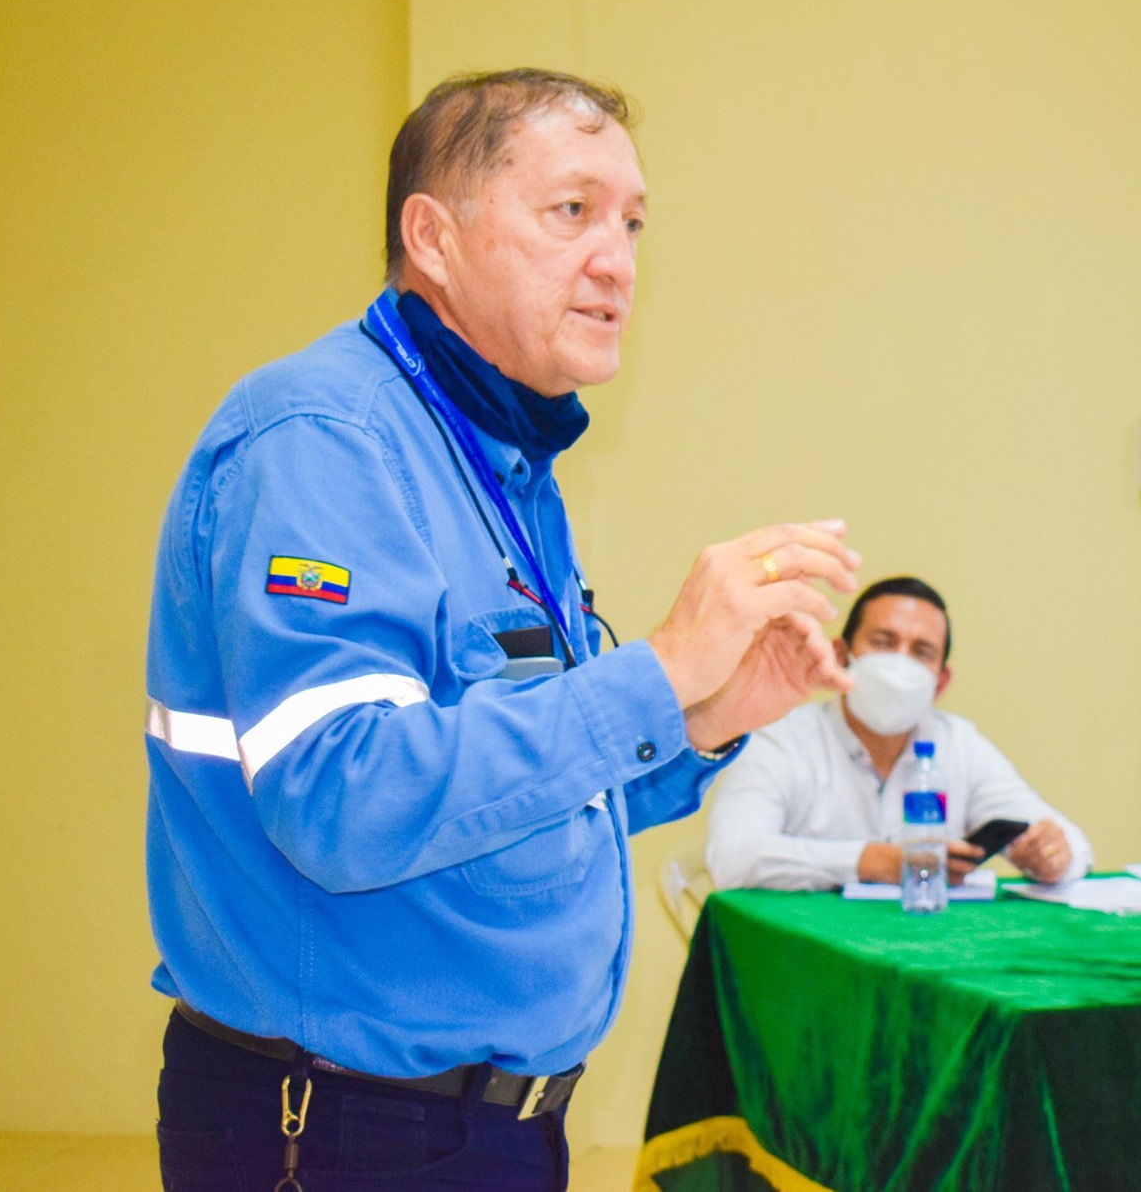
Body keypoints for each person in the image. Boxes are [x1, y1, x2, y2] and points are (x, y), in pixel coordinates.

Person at [143, 69, 862, 1190]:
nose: (617, 260)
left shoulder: (501, 459)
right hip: (338, 1127)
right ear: (432, 238)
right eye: (572, 211)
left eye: (632, 223)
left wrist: (704, 713)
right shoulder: (322, 439)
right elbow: (342, 797)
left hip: (489, 1126)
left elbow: (523, 807)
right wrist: (658, 667)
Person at [706, 576, 1093, 890]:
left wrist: (1052, 858)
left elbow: (1073, 845)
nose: (899, 664)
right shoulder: (781, 740)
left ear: (941, 682)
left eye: (922, 652)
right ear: (840, 656)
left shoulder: (960, 745)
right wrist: (870, 861)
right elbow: (732, 857)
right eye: (883, 642)